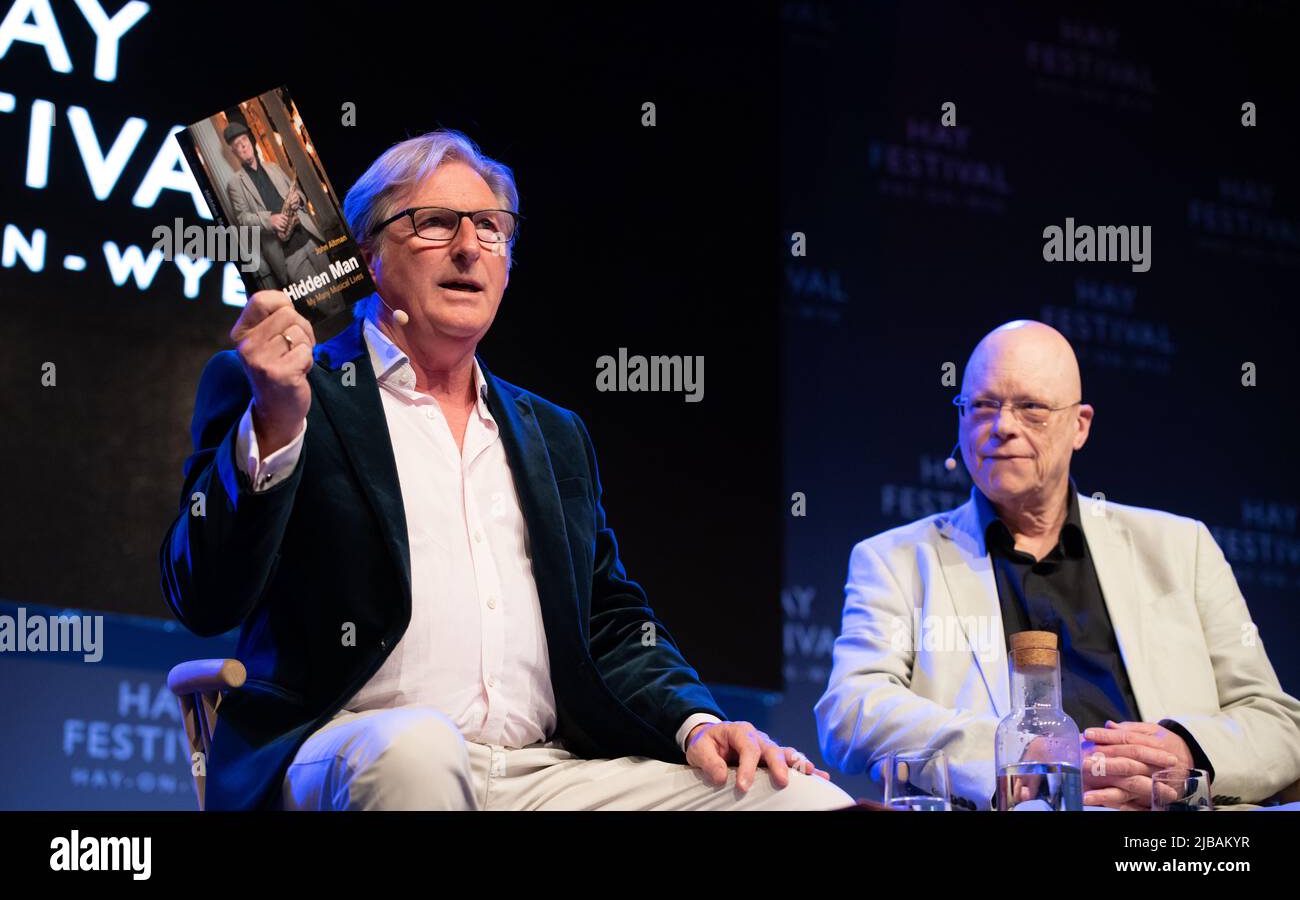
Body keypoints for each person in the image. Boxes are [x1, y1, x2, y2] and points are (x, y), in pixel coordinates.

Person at [161, 128, 853, 811]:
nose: (469, 247)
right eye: (434, 223)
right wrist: (276, 420)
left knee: (799, 805)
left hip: (542, 772)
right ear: (366, 253)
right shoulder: (290, 389)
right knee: (419, 750)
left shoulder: (553, 434)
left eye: (491, 229)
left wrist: (695, 723)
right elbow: (204, 595)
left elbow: (607, 620)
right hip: (349, 747)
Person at [816, 319, 1300, 809]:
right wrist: (1025, 755)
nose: (1002, 425)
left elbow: (1276, 721)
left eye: (1030, 408)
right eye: (982, 405)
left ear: (1080, 425)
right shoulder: (897, 559)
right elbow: (851, 709)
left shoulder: (1180, 547)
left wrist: (1185, 750)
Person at [223, 121, 347, 320]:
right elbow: (243, 219)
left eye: (244, 140)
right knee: (324, 303)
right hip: (287, 254)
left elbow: (295, 191)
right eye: (237, 145)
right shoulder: (234, 184)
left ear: (251, 141)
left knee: (338, 292)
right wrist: (268, 220)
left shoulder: (272, 167)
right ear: (234, 151)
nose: (243, 146)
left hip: (308, 237)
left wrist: (299, 197)